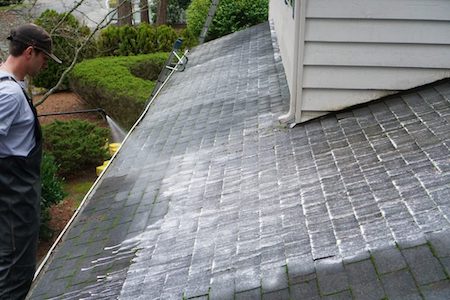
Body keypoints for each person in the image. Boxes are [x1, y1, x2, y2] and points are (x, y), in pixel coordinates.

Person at [0, 23, 61, 299]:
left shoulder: (9, 85)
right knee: (14, 279)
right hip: (12, 205)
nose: (45, 64)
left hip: (17, 203)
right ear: (29, 52)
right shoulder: (9, 95)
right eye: (44, 58)